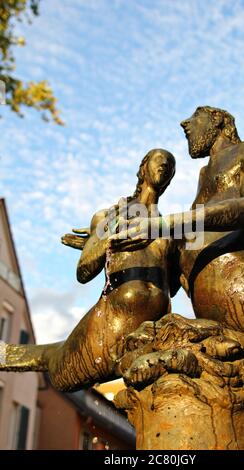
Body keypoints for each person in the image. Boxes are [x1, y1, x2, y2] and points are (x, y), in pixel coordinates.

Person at [110, 106, 244, 361]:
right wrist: (105, 241)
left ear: (218, 120)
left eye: (195, 116)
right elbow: (191, 236)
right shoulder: (204, 173)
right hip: (212, 304)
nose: (184, 123)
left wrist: (164, 225)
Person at [0, 148, 177, 391]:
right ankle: (11, 354)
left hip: (151, 329)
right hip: (110, 325)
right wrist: (108, 239)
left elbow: (175, 283)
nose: (165, 164)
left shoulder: (169, 229)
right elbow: (84, 271)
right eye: (159, 159)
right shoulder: (111, 216)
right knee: (61, 369)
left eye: (171, 164)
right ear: (143, 168)